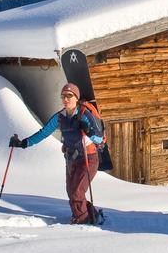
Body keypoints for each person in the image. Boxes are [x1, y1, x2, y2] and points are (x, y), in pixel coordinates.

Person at [10, 82, 103, 224]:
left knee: (77, 192)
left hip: (88, 158)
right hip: (71, 159)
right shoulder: (60, 117)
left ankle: (82, 221)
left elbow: (99, 138)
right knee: (71, 191)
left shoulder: (84, 114)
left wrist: (89, 131)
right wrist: (24, 143)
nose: (65, 99)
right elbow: (44, 132)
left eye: (69, 96)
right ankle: (91, 214)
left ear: (76, 98)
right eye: (63, 96)